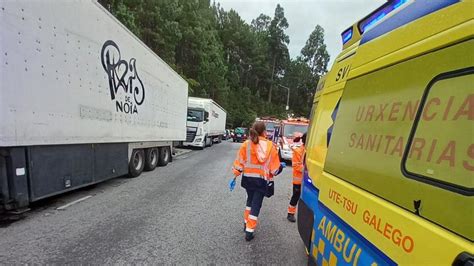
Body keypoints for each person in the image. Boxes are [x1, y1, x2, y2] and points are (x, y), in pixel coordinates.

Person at [231, 121, 284, 241]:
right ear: (264, 131)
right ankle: (249, 231)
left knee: (249, 201)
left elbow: (239, 163)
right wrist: (281, 167)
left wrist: (235, 174)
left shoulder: (246, 144)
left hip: (248, 178)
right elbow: (274, 170)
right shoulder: (271, 146)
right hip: (261, 180)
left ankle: (246, 224)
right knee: (256, 204)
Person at [287, 133, 306, 222]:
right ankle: (290, 213)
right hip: (298, 180)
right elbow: (296, 166)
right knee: (296, 196)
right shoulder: (298, 151)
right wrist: (308, 170)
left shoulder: (312, 151)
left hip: (308, 180)